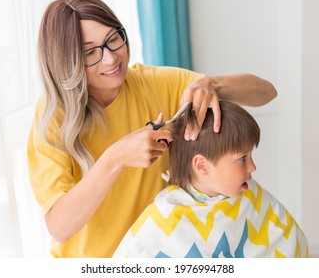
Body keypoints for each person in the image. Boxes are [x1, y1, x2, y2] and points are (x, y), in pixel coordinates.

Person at [27, 0, 277, 258]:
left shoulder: (155, 84)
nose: (111, 58)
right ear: (66, 61)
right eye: (90, 52)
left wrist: (212, 84)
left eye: (114, 38)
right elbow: (60, 227)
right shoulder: (52, 118)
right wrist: (117, 157)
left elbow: (266, 92)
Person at [113, 101, 308, 258]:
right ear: (202, 166)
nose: (253, 167)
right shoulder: (164, 222)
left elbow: (287, 242)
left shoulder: (250, 196)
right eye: (242, 158)